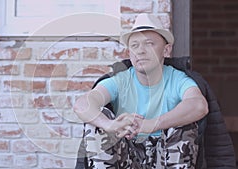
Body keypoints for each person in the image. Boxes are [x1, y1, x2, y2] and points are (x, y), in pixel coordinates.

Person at [73, 13, 209, 169]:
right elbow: (82, 105)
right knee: (98, 120)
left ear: (166, 50)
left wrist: (151, 125)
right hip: (127, 157)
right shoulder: (120, 81)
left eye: (149, 43)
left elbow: (199, 105)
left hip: (166, 158)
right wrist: (109, 125)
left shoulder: (178, 79)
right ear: (129, 53)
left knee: (184, 122)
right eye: (135, 45)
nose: (141, 51)